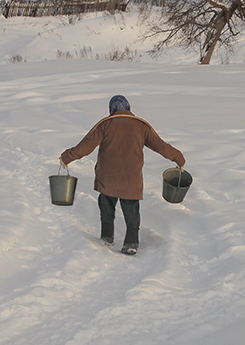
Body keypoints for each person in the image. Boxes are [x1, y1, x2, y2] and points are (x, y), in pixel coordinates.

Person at [60, 95, 185, 255]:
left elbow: (84, 147)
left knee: (106, 206)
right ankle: (131, 243)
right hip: (131, 178)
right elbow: (161, 146)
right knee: (131, 210)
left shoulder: (104, 124)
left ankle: (106, 237)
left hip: (108, 177)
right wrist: (179, 158)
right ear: (128, 108)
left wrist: (66, 157)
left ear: (111, 109)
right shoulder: (141, 125)